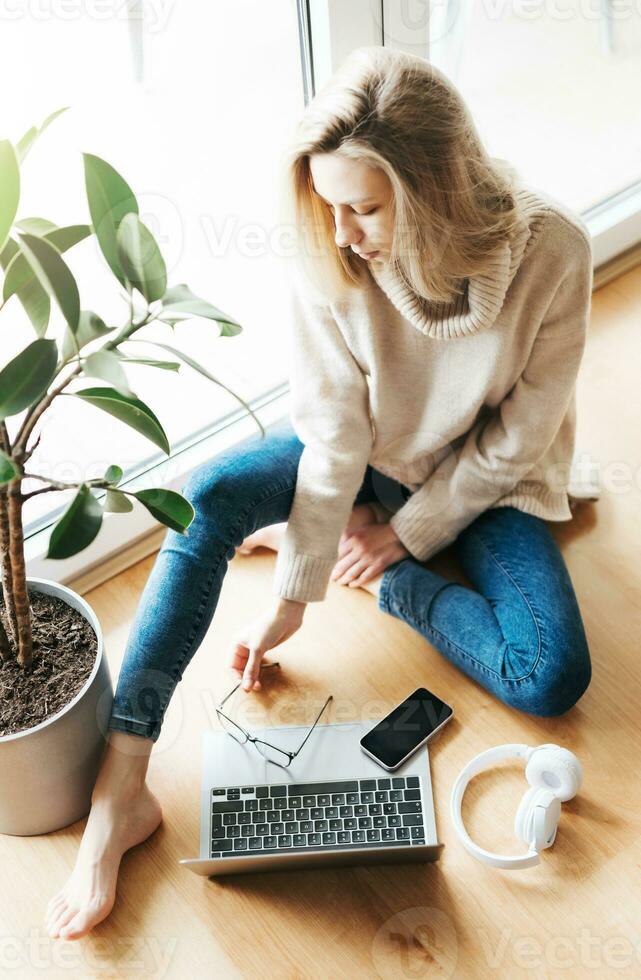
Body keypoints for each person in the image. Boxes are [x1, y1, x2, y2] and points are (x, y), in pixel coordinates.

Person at [45, 45, 595, 940]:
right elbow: (335, 429)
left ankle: (384, 574)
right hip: (367, 446)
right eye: (329, 205)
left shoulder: (552, 249)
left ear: (436, 190)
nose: (341, 232)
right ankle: (121, 791)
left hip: (484, 479)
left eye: (366, 208)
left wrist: (402, 539)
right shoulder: (329, 247)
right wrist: (294, 597)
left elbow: (520, 440)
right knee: (211, 492)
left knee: (550, 677)